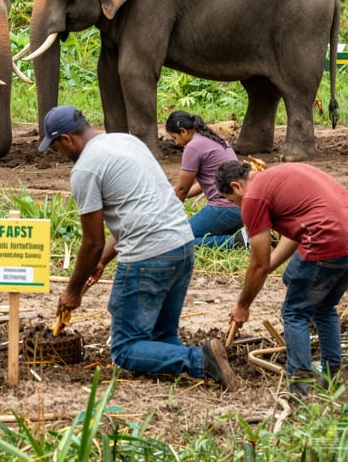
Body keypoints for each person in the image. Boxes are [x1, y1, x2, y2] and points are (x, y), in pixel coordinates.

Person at [40, 105, 236, 390]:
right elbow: (138, 213)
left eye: (56, 147)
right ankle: (187, 365)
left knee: (125, 348)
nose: (58, 154)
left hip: (149, 256)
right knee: (161, 334)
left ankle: (201, 360)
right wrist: (102, 263)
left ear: (67, 139)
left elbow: (92, 241)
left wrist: (72, 291)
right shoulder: (126, 141)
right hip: (181, 244)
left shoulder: (85, 169)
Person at [216, 159, 348, 395]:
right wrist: (266, 269)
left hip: (326, 239)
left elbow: (258, 262)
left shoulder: (253, 198)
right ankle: (331, 372)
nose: (237, 206)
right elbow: (295, 235)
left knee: (295, 311)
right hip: (342, 238)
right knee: (323, 304)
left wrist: (243, 305)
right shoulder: (279, 175)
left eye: (231, 201)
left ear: (236, 186)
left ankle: (299, 384)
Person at [165, 111, 245, 249]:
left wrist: (164, 211)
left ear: (183, 131)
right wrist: (171, 193)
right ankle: (241, 235)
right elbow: (202, 185)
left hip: (224, 208)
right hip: (241, 208)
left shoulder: (193, 147)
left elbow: (182, 190)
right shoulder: (214, 139)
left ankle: (237, 242)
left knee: (177, 240)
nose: (176, 142)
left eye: (174, 137)